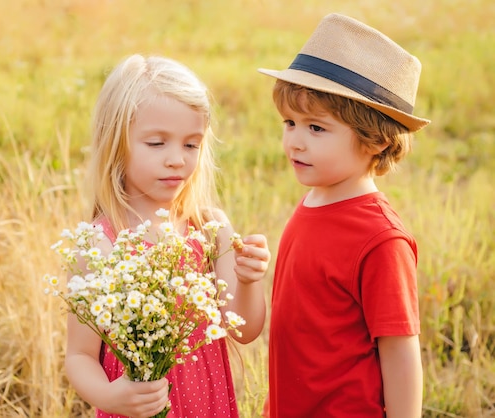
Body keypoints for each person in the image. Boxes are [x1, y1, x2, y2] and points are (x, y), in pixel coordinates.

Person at [65, 54, 271, 418]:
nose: (177, 159)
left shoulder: (210, 229)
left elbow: (244, 330)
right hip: (136, 408)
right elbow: (80, 356)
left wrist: (249, 280)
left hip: (206, 403)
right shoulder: (102, 244)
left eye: (191, 144)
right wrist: (110, 397)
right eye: (157, 143)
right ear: (116, 143)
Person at [258, 13, 429, 418]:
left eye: (316, 128)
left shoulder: (380, 238)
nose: (295, 141)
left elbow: (400, 349)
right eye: (290, 123)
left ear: (375, 140)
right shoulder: (314, 201)